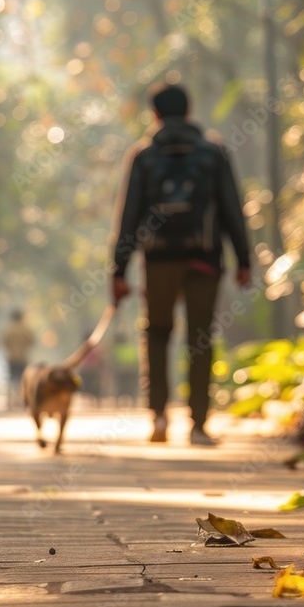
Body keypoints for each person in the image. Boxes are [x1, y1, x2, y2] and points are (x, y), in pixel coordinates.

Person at [111, 83, 251, 446]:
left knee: (157, 334)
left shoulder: (143, 156)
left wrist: (118, 269)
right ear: (188, 111)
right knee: (200, 339)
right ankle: (199, 424)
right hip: (204, 258)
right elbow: (232, 209)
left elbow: (128, 217)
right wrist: (244, 259)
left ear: (154, 114)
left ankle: (158, 417)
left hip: (158, 260)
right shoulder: (213, 153)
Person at [2, 309, 35, 408]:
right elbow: (31, 342)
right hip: (22, 358)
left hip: (11, 358)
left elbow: (4, 342)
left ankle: (10, 402)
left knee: (11, 380)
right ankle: (22, 401)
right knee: (23, 380)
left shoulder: (9, 329)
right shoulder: (25, 329)